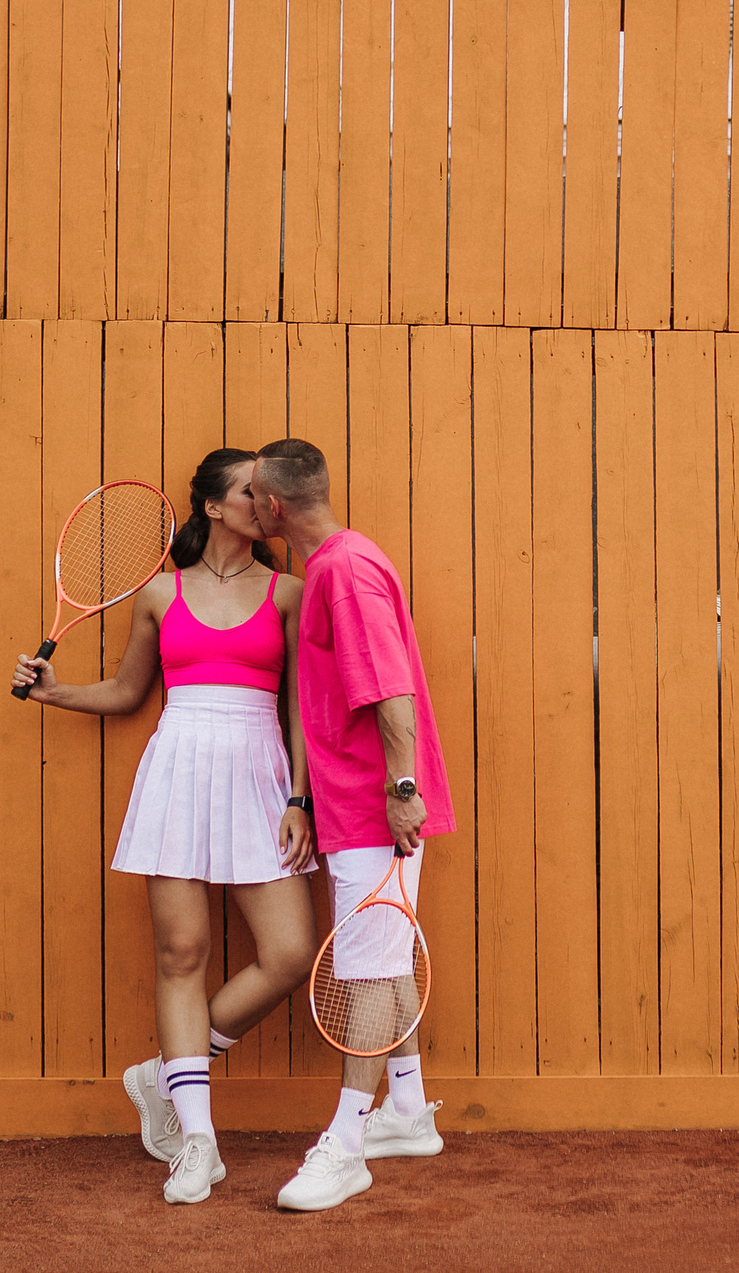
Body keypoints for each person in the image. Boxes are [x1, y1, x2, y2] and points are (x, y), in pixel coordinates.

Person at [12, 447, 320, 1207]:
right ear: (213, 506)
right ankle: (198, 1143)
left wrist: (300, 800)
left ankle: (168, 1075)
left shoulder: (289, 592)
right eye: (251, 491)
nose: (266, 502)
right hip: (178, 769)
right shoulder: (158, 592)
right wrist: (54, 693)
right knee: (182, 955)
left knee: (289, 953)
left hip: (261, 775)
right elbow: (128, 692)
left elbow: (301, 708)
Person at [249, 437, 458, 1213]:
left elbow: (390, 689)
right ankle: (406, 1109)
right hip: (357, 802)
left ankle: (344, 1145)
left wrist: (402, 790)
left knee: (367, 968)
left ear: (274, 505)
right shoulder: (335, 566)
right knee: (386, 954)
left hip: (376, 805)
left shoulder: (342, 569)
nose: (251, 507)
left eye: (253, 496)